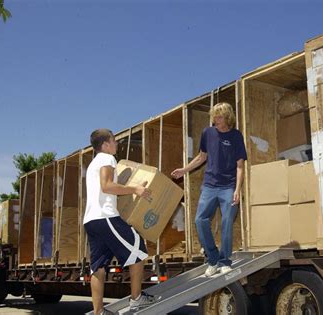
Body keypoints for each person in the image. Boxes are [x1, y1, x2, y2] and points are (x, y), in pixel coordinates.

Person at [83, 129, 159, 315]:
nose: (117, 145)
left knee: (98, 266)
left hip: (91, 221)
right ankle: (136, 300)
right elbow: (107, 186)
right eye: (114, 141)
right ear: (106, 144)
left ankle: (99, 311)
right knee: (139, 248)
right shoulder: (107, 159)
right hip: (105, 217)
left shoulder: (94, 163)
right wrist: (135, 189)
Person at [171, 102, 247, 277]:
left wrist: (237, 190)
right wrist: (184, 170)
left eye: (219, 117)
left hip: (229, 187)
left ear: (227, 118)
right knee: (200, 220)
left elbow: (240, 166)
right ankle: (213, 259)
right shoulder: (208, 133)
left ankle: (225, 261)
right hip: (210, 186)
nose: (215, 120)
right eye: (214, 116)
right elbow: (201, 157)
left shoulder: (236, 136)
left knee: (227, 223)